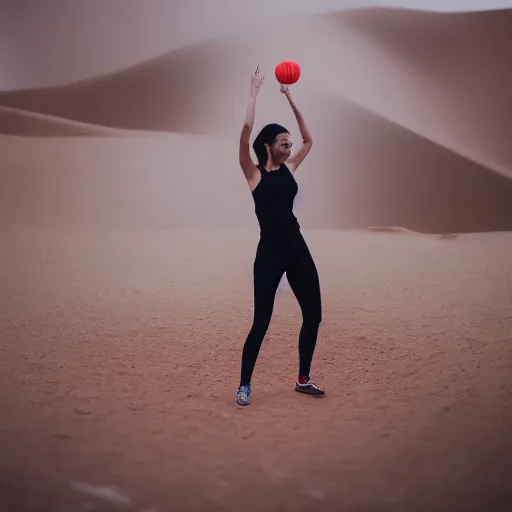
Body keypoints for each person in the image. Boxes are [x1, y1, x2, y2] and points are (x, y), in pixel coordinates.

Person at [236, 65, 325, 407]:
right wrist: (254, 92)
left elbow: (310, 140)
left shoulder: (289, 168)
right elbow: (245, 132)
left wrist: (290, 98)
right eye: (283, 142)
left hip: (296, 247)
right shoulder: (254, 174)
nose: (290, 145)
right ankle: (244, 385)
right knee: (261, 323)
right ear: (269, 146)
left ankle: (303, 379)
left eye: (290, 142)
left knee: (313, 315)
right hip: (269, 254)